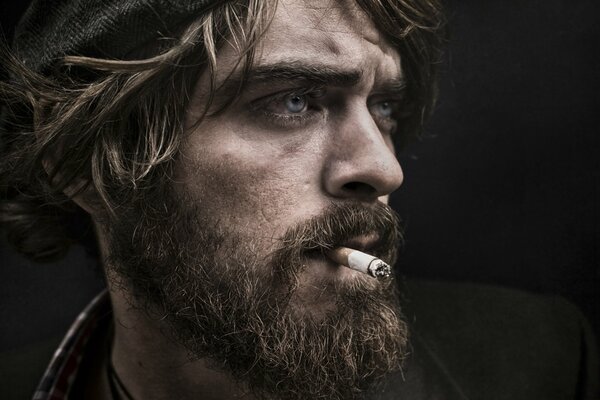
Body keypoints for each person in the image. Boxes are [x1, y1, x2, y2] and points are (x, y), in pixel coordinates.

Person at [0, 0, 597, 399]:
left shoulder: (540, 361)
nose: (384, 169)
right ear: (85, 167)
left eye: (384, 107)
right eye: (294, 100)